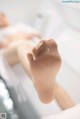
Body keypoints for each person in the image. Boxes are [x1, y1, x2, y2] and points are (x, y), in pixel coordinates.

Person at [0, 12, 75, 109]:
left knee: (52, 84)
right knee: (21, 46)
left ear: (5, 16)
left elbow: (37, 36)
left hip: (28, 51)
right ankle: (37, 79)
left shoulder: (20, 26)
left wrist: (20, 37)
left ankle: (71, 109)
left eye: (1, 18)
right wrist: (15, 38)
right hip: (8, 57)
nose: (1, 21)